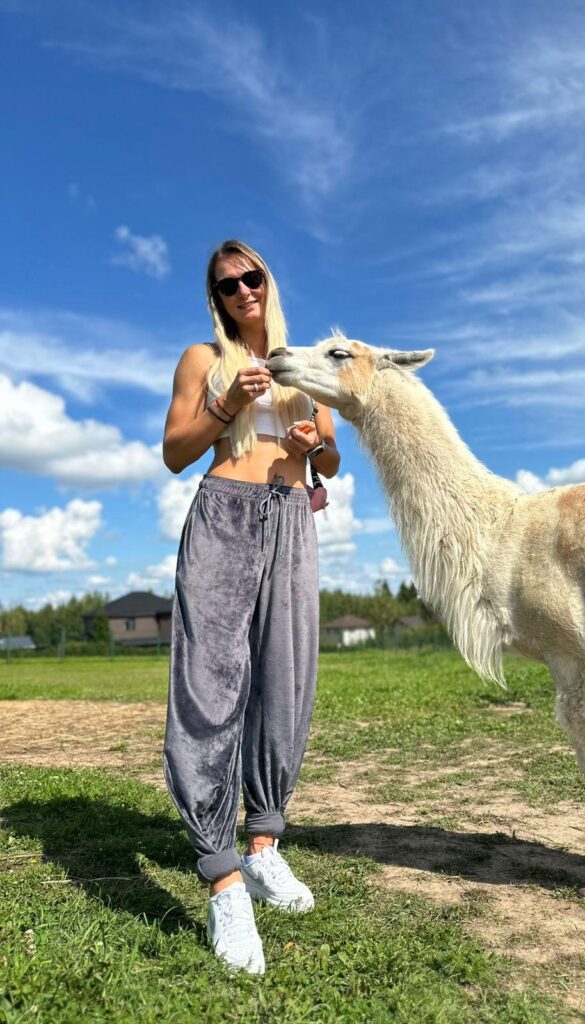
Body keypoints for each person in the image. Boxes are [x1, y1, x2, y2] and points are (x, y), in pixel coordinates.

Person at [161, 239, 339, 974]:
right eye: (227, 284)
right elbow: (176, 449)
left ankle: (263, 844)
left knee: (285, 685)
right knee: (209, 685)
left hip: (293, 516)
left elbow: (329, 458)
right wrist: (226, 405)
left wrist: (310, 446)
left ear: (269, 280)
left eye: (251, 276)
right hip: (226, 513)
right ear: (217, 297)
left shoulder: (306, 366)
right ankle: (223, 877)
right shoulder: (204, 359)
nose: (242, 290)